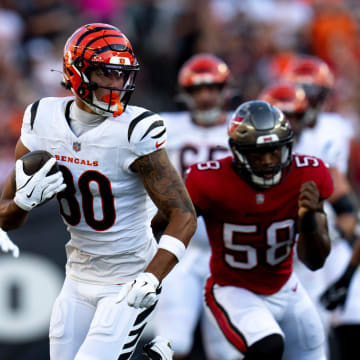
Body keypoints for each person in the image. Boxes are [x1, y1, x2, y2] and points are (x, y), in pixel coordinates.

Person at [0, 22, 197, 360]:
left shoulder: (135, 131)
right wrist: (22, 202)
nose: (117, 84)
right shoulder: (41, 119)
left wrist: (151, 278)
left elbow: (183, 215)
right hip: (76, 277)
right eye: (106, 73)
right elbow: (7, 218)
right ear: (76, 71)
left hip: (128, 282)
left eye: (122, 74)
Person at [183, 100, 333, 359]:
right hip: (234, 288)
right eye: (256, 153)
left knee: (313, 352)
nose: (267, 161)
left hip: (287, 286)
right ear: (238, 152)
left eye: (274, 151)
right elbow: (171, 223)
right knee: (267, 347)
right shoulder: (208, 180)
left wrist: (309, 219)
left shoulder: (309, 173)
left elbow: (315, 261)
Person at [153, 53, 239, 360]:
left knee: (227, 352)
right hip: (179, 249)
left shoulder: (240, 127)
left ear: (224, 89)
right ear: (186, 93)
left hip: (229, 251)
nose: (205, 96)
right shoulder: (164, 126)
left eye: (212, 88)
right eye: (198, 89)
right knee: (173, 343)